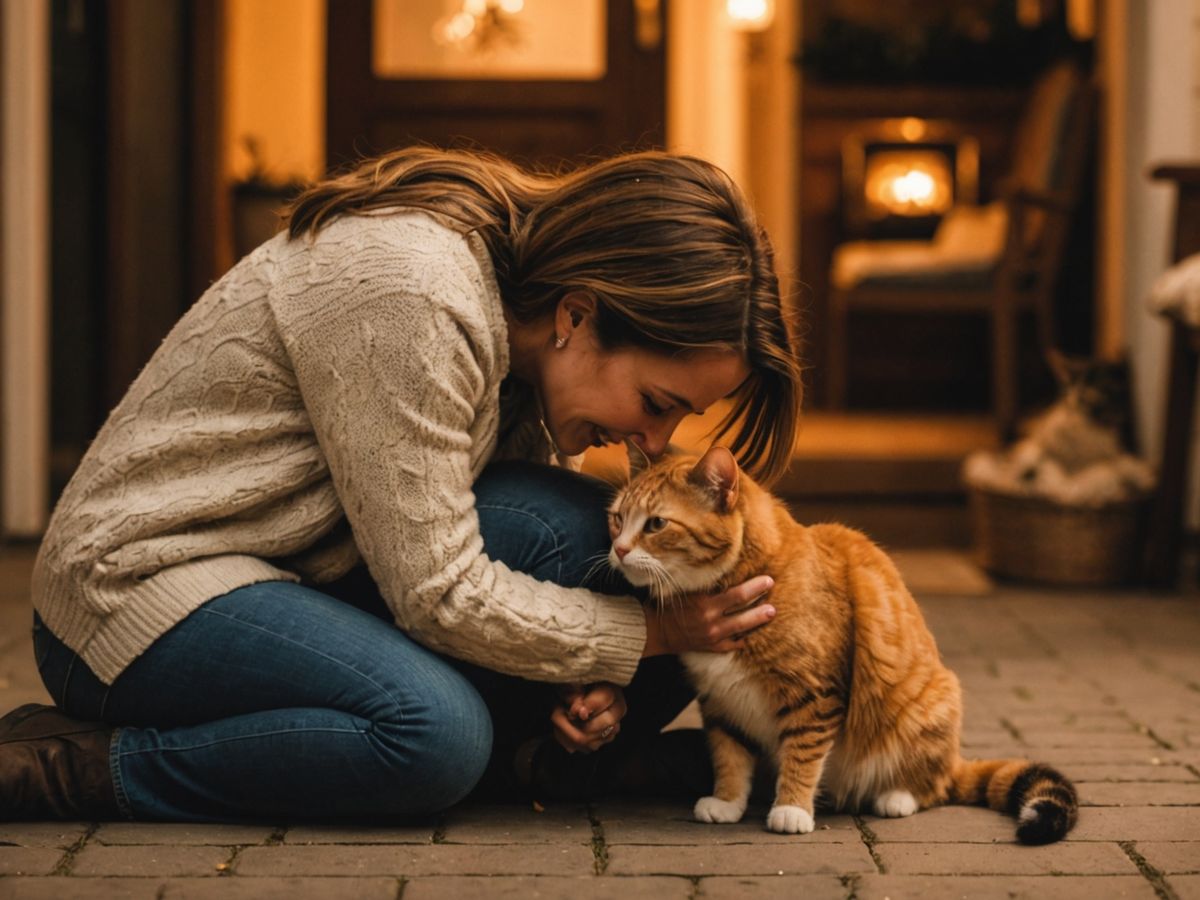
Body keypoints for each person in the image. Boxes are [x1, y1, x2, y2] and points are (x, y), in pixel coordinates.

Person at [0, 147, 803, 822]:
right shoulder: (410, 292)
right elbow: (440, 592)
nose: (653, 441)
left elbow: (502, 559)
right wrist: (649, 641)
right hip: (140, 592)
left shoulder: (527, 346)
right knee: (432, 737)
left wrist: (591, 680)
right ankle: (71, 765)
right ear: (579, 315)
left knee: (642, 568)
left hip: (304, 567)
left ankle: (512, 760)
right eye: (657, 404)